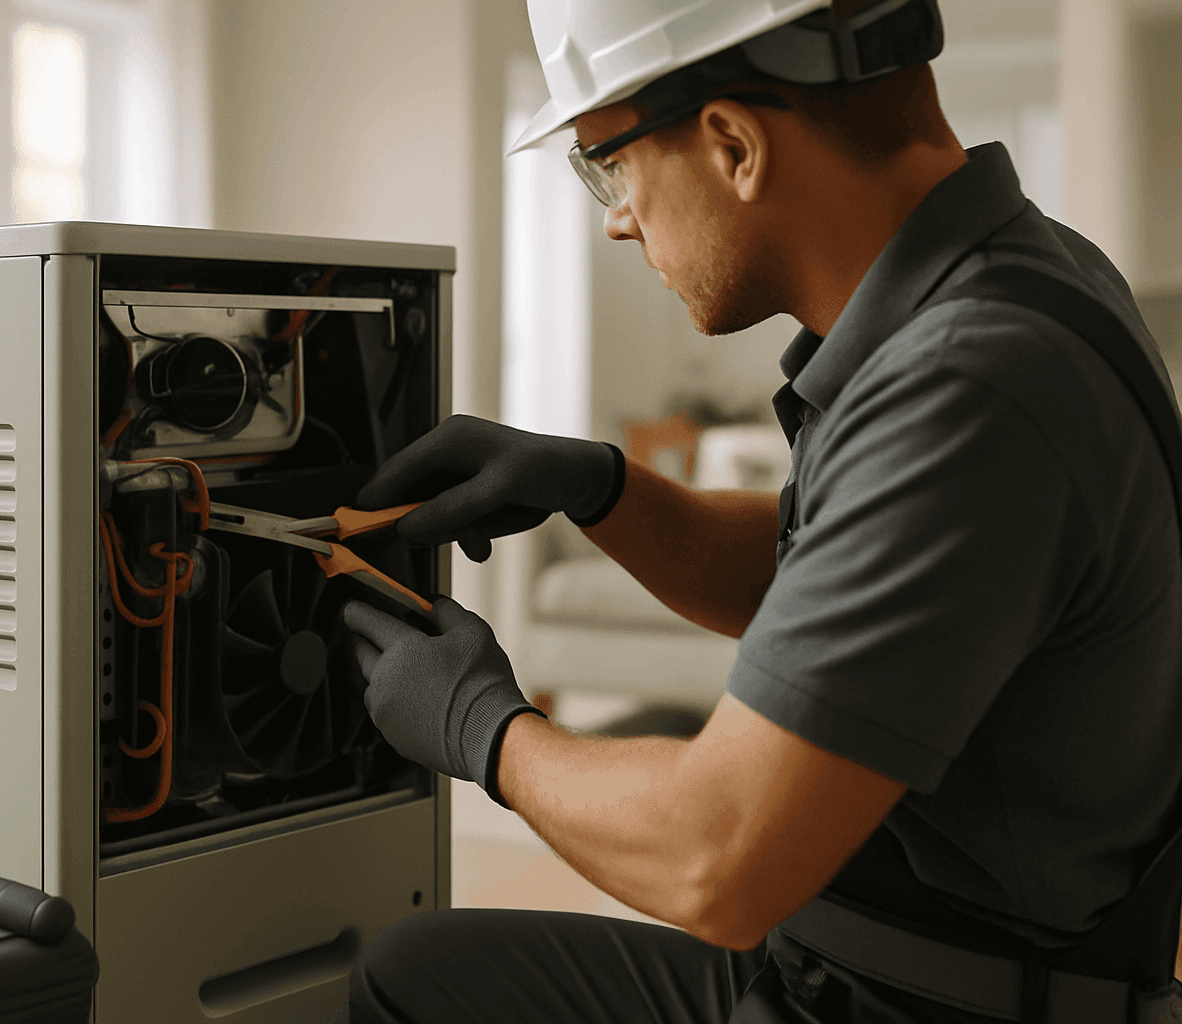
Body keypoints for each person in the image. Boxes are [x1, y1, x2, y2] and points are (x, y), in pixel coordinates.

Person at [339, 1, 1182, 1021]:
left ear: (733, 143)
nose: (615, 214)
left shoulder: (972, 380)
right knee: (418, 971)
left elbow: (716, 859)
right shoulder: (1023, 277)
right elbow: (836, 588)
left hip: (923, 1003)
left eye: (608, 161)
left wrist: (480, 723)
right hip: (855, 967)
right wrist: (600, 487)